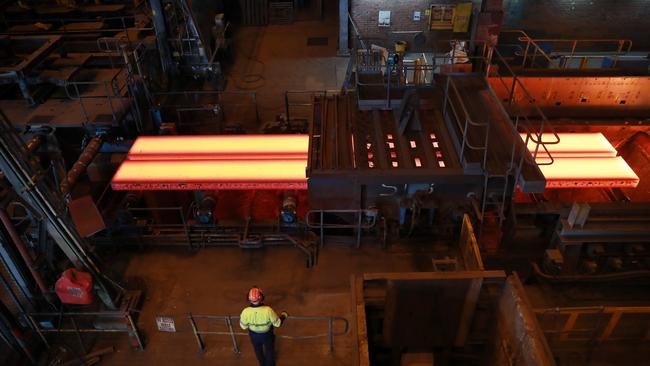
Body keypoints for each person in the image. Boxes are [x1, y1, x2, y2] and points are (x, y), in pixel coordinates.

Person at [239, 286, 288, 366]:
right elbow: (277, 324)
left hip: (254, 335)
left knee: (258, 350)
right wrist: (284, 315)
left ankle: (262, 364)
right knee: (269, 350)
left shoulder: (245, 312)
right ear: (261, 297)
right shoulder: (268, 310)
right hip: (267, 335)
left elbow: (243, 326)